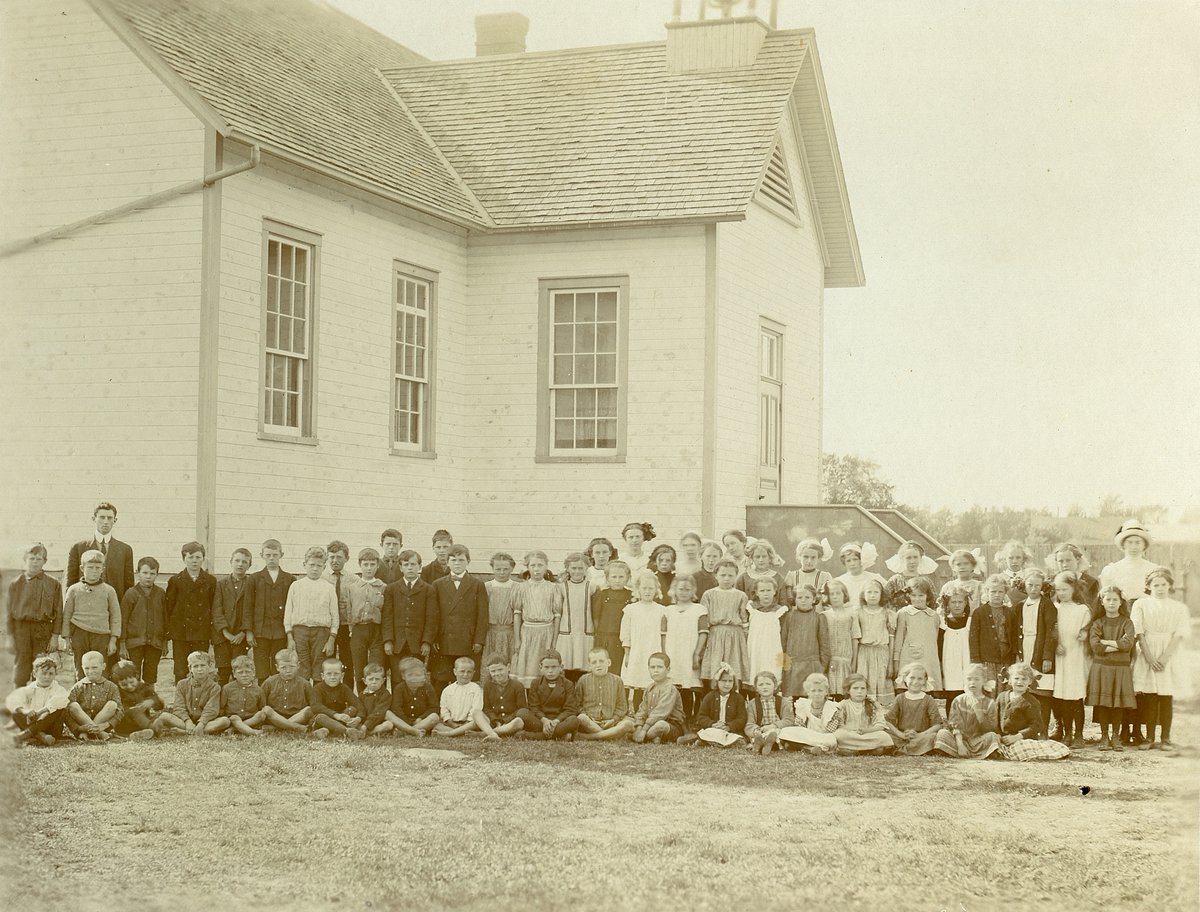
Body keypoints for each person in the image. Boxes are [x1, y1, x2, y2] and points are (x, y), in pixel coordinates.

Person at [1131, 568, 1190, 751]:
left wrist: (1164, 658)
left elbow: (1179, 634)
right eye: (1156, 585)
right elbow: (1138, 632)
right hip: (1147, 651)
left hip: (1168, 654)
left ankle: (1165, 738)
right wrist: (1149, 656)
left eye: (1164, 584)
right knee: (1149, 696)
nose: (1160, 588)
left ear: (1170, 585)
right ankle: (1149, 738)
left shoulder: (1179, 607)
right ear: (1149, 586)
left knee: (1165, 696)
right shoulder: (1141, 604)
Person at [428, 545, 488, 692]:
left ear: (468, 561)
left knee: (466, 678)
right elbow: (433, 615)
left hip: (467, 639)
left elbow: (482, 615)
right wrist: (434, 638)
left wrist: (478, 640)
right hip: (444, 640)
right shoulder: (437, 584)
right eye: (453, 560)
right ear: (447, 562)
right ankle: (440, 710)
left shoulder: (477, 585)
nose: (457, 563)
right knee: (440, 679)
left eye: (461, 560)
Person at [1087, 587, 1136, 752]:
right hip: (1102, 667)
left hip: (1120, 667)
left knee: (1117, 704)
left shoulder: (1127, 622)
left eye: (1115, 599)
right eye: (1108, 599)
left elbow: (1128, 644)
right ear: (1102, 602)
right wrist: (1116, 644)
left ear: (1121, 602)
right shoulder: (1098, 623)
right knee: (1103, 703)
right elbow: (1095, 646)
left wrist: (1106, 642)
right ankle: (1104, 736)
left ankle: (1116, 736)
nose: (1112, 603)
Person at [7, 543, 61, 688]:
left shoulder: (53, 584)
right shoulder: (16, 584)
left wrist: (55, 637)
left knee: (42, 666)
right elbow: (9, 614)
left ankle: (39, 702)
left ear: (45, 561)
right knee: (22, 667)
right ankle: (20, 704)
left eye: (39, 559)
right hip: (21, 629)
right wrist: (10, 637)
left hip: (43, 629)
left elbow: (58, 612)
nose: (35, 562)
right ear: (25, 559)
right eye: (32, 558)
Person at [61, 550, 120, 680]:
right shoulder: (74, 589)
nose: (94, 571)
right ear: (82, 568)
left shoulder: (109, 590)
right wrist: (66, 639)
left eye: (97, 568)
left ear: (102, 569)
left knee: (100, 669)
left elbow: (116, 616)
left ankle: (100, 698)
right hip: (79, 634)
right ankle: (81, 698)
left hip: (101, 635)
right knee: (81, 669)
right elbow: (66, 615)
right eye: (90, 567)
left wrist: (113, 640)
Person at [283, 546, 339, 683]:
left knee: (319, 667)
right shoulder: (296, 586)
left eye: (319, 566)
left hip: (321, 632)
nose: (315, 569)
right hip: (300, 631)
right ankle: (304, 701)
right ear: (304, 565)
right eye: (311, 565)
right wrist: (290, 636)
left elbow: (335, 616)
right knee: (302, 666)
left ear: (324, 567)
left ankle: (316, 701)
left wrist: (331, 639)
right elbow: (288, 613)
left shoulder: (329, 588)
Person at [165, 541, 217, 683]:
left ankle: (200, 698)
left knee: (200, 667)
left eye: (198, 557)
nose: (194, 561)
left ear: (203, 559)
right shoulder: (175, 580)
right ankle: (181, 698)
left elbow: (213, 607)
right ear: (184, 559)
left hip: (201, 632)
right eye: (190, 557)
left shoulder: (210, 581)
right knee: (181, 668)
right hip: (181, 632)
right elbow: (169, 607)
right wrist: (169, 631)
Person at [996, 662, 1070, 760]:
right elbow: (995, 718)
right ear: (1009, 680)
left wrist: (1017, 736)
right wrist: (997, 735)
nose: (1020, 682)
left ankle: (1009, 752)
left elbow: (1037, 726)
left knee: (1021, 749)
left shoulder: (1031, 701)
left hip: (1021, 739)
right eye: (1016, 678)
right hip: (1002, 738)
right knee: (989, 741)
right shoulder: (1001, 697)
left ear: (1030, 682)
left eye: (1024, 679)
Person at [1050, 571, 1091, 749]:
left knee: (1075, 697)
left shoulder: (1082, 610)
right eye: (1058, 590)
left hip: (1076, 656)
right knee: (1062, 696)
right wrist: (1055, 644)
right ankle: (1067, 733)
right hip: (1060, 657)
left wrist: (1086, 634)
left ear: (1074, 588)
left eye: (1065, 589)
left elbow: (1089, 631)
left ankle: (1079, 734)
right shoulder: (1054, 608)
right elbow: (1050, 630)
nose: (1061, 593)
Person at [1014, 566, 1057, 737]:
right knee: (1026, 692)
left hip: (1040, 651)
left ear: (1042, 587)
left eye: (1037, 586)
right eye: (1030, 585)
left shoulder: (1047, 605)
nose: (1033, 589)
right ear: (1024, 585)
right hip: (1025, 649)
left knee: (1043, 694)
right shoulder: (1020, 606)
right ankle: (1028, 731)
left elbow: (1050, 634)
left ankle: (1044, 731)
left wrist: (1047, 657)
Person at [66, 502, 134, 605]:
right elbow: (70, 583)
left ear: (115, 520)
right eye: (102, 517)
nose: (105, 522)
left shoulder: (125, 550)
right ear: (94, 519)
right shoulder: (78, 548)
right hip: (84, 607)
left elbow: (129, 586)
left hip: (113, 607)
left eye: (109, 518)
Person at [247, 539, 295, 682]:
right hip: (260, 631)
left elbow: (293, 608)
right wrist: (249, 631)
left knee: (278, 667)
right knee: (261, 669)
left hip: (280, 632)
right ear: (262, 555)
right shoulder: (254, 579)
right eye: (268, 555)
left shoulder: (289, 579)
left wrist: (290, 633)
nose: (272, 558)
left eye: (275, 555)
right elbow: (248, 607)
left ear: (282, 555)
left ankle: (276, 700)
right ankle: (263, 700)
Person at [513, 551, 563, 687]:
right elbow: (517, 614)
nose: (536, 569)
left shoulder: (553, 588)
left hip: (546, 632)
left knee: (545, 666)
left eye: (540, 565)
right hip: (527, 632)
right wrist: (517, 639)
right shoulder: (521, 587)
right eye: (533, 565)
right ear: (527, 567)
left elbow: (557, 615)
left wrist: (554, 640)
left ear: (546, 566)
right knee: (527, 666)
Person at [382, 548, 431, 684]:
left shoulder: (428, 589)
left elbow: (431, 618)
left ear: (419, 567)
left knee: (415, 677)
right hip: (397, 643)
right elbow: (387, 616)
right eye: (406, 565)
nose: (410, 568)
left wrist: (426, 641)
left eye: (413, 564)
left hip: (417, 643)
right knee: (397, 677)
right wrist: (388, 640)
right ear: (401, 568)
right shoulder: (391, 589)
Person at [662, 576, 708, 719]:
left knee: (688, 686)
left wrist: (697, 653)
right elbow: (663, 634)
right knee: (674, 685)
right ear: (674, 590)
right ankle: (674, 717)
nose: (683, 592)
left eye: (688, 589)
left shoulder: (699, 609)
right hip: (672, 652)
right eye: (680, 589)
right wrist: (664, 654)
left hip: (689, 652)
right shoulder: (668, 610)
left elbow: (703, 633)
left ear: (693, 590)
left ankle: (689, 718)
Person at [699, 559, 749, 687]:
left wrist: (745, 637)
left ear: (735, 576)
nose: (726, 578)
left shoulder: (741, 595)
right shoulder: (709, 594)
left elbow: (744, 619)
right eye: (723, 575)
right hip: (716, 635)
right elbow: (704, 618)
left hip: (735, 636)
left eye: (730, 575)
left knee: (734, 669)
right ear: (716, 575)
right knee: (716, 668)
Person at [933, 664, 1000, 759]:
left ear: (984, 680)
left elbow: (990, 729)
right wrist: (960, 746)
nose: (972, 682)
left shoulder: (990, 703)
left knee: (993, 737)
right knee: (942, 733)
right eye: (969, 679)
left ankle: (979, 752)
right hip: (960, 741)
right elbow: (955, 725)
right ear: (964, 680)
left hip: (978, 741)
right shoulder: (958, 700)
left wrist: (978, 711)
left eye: (977, 679)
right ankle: (964, 752)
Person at [620, 569, 667, 698]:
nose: (647, 591)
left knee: (651, 680)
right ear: (638, 589)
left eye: (651, 588)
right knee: (636, 680)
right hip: (636, 650)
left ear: (656, 590)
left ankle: (650, 710)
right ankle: (635, 711)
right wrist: (628, 653)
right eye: (644, 588)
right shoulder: (630, 609)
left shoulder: (662, 610)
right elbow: (625, 633)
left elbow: (664, 635)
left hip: (653, 649)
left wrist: (663, 653)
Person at [120, 557, 166, 686]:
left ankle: (148, 702)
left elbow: (164, 617)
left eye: (152, 573)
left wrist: (164, 641)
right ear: (137, 573)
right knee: (134, 674)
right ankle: (134, 701)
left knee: (151, 675)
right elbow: (123, 619)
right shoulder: (131, 594)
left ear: (157, 574)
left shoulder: (160, 593)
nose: (148, 577)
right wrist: (122, 643)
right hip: (134, 643)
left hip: (155, 642)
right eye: (145, 573)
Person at [345, 547, 386, 693]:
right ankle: (363, 699)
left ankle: (377, 699)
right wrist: (351, 629)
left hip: (376, 630)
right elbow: (349, 609)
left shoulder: (383, 587)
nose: (369, 568)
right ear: (360, 565)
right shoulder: (352, 587)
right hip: (358, 630)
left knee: (376, 667)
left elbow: (385, 611)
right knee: (359, 666)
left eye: (372, 564)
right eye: (365, 564)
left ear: (377, 565)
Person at [6, 654, 69, 746]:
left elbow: (61, 700)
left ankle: (25, 735)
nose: (47, 677)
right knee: (17, 712)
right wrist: (26, 711)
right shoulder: (29, 689)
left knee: (58, 709)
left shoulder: (58, 689)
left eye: (51, 673)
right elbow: (12, 699)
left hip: (50, 726)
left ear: (55, 674)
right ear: (35, 674)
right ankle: (41, 736)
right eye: (44, 673)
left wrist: (39, 712)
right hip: (32, 723)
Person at [892, 578, 941, 694]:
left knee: (926, 692)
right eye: (914, 595)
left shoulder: (934, 616)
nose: (917, 599)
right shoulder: (904, 613)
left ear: (927, 596)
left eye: (921, 595)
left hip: (929, 660)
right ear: (908, 596)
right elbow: (898, 640)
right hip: (908, 659)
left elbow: (934, 641)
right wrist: (896, 661)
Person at [212, 548, 253, 686]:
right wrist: (225, 632)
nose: (240, 564)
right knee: (223, 672)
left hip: (241, 636)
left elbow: (252, 610)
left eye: (244, 562)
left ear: (249, 565)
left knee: (240, 671)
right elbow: (216, 610)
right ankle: (222, 704)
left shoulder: (252, 583)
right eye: (237, 560)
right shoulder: (221, 584)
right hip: (223, 636)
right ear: (231, 562)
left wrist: (243, 632)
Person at [882, 664, 944, 755]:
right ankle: (913, 749)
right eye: (912, 678)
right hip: (902, 735)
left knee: (933, 737)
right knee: (883, 733)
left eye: (920, 679)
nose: (915, 682)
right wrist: (901, 734)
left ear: (925, 681)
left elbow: (937, 724)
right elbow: (888, 721)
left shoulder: (928, 700)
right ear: (905, 679)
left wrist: (920, 735)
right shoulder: (900, 698)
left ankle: (901, 750)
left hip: (922, 736)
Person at [575, 647, 635, 742]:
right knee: (581, 718)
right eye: (594, 662)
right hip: (591, 722)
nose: (598, 665)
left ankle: (592, 737)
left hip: (612, 722)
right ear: (589, 666)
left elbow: (622, 706)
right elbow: (577, 704)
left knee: (628, 724)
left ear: (609, 663)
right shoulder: (583, 680)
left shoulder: (617, 680)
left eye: (601, 661)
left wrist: (613, 720)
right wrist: (589, 718)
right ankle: (612, 735)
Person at [156, 651, 221, 736]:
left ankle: (186, 732)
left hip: (205, 722)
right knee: (164, 716)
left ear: (209, 667)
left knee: (224, 721)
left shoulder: (215, 687)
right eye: (195, 666)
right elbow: (179, 707)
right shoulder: (182, 684)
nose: (199, 669)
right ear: (190, 668)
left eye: (203, 665)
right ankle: (196, 731)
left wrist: (201, 723)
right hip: (184, 721)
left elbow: (211, 709)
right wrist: (187, 721)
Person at [780, 584, 827, 700]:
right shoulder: (789, 617)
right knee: (794, 700)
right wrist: (785, 666)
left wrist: (822, 666)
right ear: (795, 600)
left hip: (812, 665)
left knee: (811, 698)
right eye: (800, 598)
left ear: (814, 599)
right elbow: (783, 642)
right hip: (793, 666)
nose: (803, 601)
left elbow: (824, 644)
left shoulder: (819, 618)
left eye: (807, 597)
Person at [968, 574, 1014, 691]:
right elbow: (973, 639)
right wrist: (976, 660)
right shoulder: (979, 612)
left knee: (1005, 691)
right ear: (987, 592)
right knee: (989, 691)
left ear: (1005, 593)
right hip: (986, 660)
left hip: (1005, 660)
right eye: (993, 591)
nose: (997, 595)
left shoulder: (1010, 613)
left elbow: (1013, 637)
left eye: (1000, 592)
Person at [852, 578, 894, 705]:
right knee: (863, 683)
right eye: (869, 592)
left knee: (881, 683)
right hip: (864, 653)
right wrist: (854, 661)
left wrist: (891, 662)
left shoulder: (888, 613)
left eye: (876, 592)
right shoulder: (857, 613)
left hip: (882, 653)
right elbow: (855, 639)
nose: (872, 595)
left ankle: (881, 715)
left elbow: (891, 639)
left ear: (881, 594)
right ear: (863, 595)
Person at [1100, 521, 1160, 609]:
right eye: (1129, 542)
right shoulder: (1111, 570)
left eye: (1138, 542)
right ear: (1123, 544)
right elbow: (1107, 598)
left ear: (1144, 545)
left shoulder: (1153, 570)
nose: (1133, 547)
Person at [65, 651, 122, 741]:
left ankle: (90, 733)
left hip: (103, 725)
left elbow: (120, 710)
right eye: (86, 668)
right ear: (82, 668)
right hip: (82, 726)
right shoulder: (77, 687)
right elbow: (66, 712)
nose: (90, 671)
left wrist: (105, 725)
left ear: (103, 666)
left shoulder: (111, 686)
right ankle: (99, 734)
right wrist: (79, 728)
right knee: (72, 705)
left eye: (94, 667)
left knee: (112, 704)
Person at [525, 650, 581, 741]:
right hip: (541, 720)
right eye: (546, 667)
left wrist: (556, 721)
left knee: (574, 720)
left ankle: (538, 736)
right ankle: (559, 736)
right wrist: (545, 721)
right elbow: (533, 707)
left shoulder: (568, 684)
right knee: (522, 712)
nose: (550, 671)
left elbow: (570, 709)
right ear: (540, 667)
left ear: (561, 667)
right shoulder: (535, 683)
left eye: (554, 667)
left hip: (560, 721)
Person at [482, 552, 520, 682]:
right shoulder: (486, 587)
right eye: (498, 569)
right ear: (492, 569)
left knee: (510, 666)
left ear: (512, 569)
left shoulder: (517, 587)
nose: (502, 572)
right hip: (491, 633)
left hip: (511, 633)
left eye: (506, 569)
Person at [778, 672, 839, 753]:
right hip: (807, 735)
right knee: (785, 731)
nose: (817, 694)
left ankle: (803, 746)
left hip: (823, 736)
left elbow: (830, 731)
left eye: (820, 690)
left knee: (831, 740)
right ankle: (811, 748)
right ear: (808, 692)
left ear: (826, 692)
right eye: (813, 691)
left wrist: (813, 736)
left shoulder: (833, 708)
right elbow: (799, 726)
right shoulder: (803, 705)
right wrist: (805, 734)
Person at [591, 561, 633, 677]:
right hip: (604, 637)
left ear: (628, 578)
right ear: (608, 578)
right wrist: (598, 634)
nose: (617, 580)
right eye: (614, 577)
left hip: (621, 639)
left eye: (621, 577)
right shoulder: (602, 594)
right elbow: (596, 617)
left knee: (618, 670)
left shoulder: (631, 595)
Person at [631, 652, 684, 745]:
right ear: (648, 669)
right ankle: (652, 736)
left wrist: (644, 730)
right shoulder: (649, 688)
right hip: (650, 723)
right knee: (629, 723)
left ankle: (645, 736)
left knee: (660, 726)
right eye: (652, 667)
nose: (656, 670)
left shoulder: (670, 689)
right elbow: (643, 709)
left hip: (670, 724)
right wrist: (639, 726)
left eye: (659, 667)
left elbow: (660, 712)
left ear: (668, 670)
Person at [477, 654, 533, 740]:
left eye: (500, 669)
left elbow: (522, 709)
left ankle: (486, 733)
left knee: (519, 722)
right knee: (476, 713)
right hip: (494, 722)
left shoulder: (517, 685)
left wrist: (505, 721)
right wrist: (496, 720)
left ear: (508, 667)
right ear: (489, 671)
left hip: (511, 722)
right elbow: (487, 708)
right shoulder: (488, 685)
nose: (497, 673)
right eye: (493, 671)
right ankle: (493, 733)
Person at [209, 654, 266, 736]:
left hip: (251, 719)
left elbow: (261, 707)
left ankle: (235, 729)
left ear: (253, 673)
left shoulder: (259, 690)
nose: (244, 675)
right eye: (240, 672)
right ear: (234, 674)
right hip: (233, 719)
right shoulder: (227, 688)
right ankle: (253, 733)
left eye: (248, 672)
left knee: (262, 714)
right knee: (235, 718)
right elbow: (221, 707)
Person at [834, 674, 892, 755]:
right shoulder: (843, 705)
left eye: (862, 688)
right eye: (855, 688)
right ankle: (867, 749)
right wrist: (853, 730)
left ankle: (855, 750)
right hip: (850, 734)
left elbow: (880, 725)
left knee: (883, 736)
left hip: (869, 734)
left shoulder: (873, 704)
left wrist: (867, 731)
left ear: (866, 690)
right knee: (839, 735)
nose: (859, 691)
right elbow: (839, 725)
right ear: (848, 690)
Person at [309, 657, 366, 740]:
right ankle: (347, 731)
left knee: (352, 709)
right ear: (322, 676)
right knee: (321, 716)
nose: (332, 677)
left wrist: (359, 718)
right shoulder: (317, 688)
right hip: (322, 719)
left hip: (340, 717)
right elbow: (316, 706)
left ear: (342, 675)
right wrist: (335, 715)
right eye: (329, 674)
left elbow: (358, 705)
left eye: (336, 674)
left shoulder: (344, 688)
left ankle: (327, 730)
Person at [557, 553, 594, 680]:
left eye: (580, 568)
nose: (577, 571)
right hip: (567, 633)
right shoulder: (561, 587)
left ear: (586, 569)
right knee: (567, 666)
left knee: (584, 667)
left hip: (585, 632)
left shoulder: (592, 586)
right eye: (573, 568)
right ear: (568, 568)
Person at [745, 577, 787, 687]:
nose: (766, 594)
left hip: (772, 649)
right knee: (754, 670)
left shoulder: (780, 611)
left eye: (768, 590)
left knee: (772, 671)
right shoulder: (751, 608)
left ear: (774, 592)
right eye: (762, 591)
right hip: (755, 648)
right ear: (757, 593)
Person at [937, 583, 972, 713]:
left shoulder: (970, 622)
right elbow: (939, 645)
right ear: (947, 604)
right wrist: (940, 663)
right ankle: (951, 723)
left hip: (966, 660)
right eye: (953, 602)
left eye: (960, 602)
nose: (957, 605)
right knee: (952, 693)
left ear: (965, 604)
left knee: (967, 692)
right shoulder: (943, 622)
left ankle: (967, 724)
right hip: (950, 662)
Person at [384, 656, 440, 737]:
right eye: (410, 675)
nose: (414, 678)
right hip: (403, 721)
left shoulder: (428, 687)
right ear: (403, 676)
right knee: (387, 714)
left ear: (424, 675)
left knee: (435, 717)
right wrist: (406, 722)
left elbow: (434, 708)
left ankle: (406, 732)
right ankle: (413, 731)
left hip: (421, 721)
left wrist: (420, 718)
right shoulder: (399, 688)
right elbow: (396, 708)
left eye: (418, 675)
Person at [261, 649, 313, 733]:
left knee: (309, 709)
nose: (288, 670)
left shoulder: (305, 684)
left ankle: (278, 728)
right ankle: (295, 727)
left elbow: (312, 703)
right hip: (275, 717)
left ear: (298, 665)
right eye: (283, 667)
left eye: (292, 666)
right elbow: (261, 703)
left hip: (297, 717)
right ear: (277, 667)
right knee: (266, 709)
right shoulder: (269, 682)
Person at [694, 664, 747, 747]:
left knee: (737, 739)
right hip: (714, 729)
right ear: (716, 682)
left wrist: (729, 726)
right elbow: (701, 716)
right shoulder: (709, 697)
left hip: (730, 731)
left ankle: (710, 743)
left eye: (730, 681)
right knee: (709, 733)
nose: (727, 684)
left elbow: (742, 718)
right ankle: (708, 741)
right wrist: (712, 724)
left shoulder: (738, 698)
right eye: (723, 681)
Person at [110, 660, 164, 740]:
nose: (129, 686)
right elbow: (117, 707)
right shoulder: (118, 692)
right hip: (126, 724)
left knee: (162, 716)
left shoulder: (144, 687)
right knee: (135, 711)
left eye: (132, 682)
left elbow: (159, 704)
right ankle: (153, 729)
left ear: (137, 677)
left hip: (144, 721)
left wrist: (151, 701)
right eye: (124, 684)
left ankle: (144, 732)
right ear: (117, 683)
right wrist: (130, 710)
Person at [822, 580, 856, 699]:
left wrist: (854, 661)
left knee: (844, 692)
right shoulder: (824, 615)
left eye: (838, 593)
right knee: (830, 693)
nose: (835, 597)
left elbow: (854, 638)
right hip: (829, 661)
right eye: (832, 594)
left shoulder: (851, 614)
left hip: (845, 660)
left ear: (844, 595)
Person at [434, 656, 482, 736]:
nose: (465, 675)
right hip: (452, 723)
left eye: (469, 672)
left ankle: (451, 733)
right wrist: (451, 723)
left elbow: (476, 708)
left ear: (474, 673)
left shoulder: (476, 689)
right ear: (455, 671)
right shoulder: (447, 690)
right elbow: (444, 709)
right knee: (437, 725)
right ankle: (460, 732)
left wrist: (467, 723)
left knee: (478, 722)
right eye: (462, 671)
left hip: (469, 723)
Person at [883, 540, 938, 609]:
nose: (912, 561)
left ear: (920, 558)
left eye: (915, 557)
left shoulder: (926, 581)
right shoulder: (895, 581)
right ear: (902, 559)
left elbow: (933, 603)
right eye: (908, 558)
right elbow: (885, 601)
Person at [834, 542, 886, 610]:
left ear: (861, 559)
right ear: (844, 563)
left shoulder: (875, 578)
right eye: (848, 561)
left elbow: (886, 598)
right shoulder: (839, 581)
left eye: (855, 559)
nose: (852, 563)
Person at [736, 540, 789, 606]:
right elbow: (737, 601)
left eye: (764, 556)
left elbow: (783, 602)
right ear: (752, 558)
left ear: (769, 558)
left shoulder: (778, 578)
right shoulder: (743, 578)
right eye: (757, 557)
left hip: (773, 614)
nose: (761, 560)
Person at [1049, 542, 1100, 609]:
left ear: (1077, 559)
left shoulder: (1091, 582)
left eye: (1068, 560)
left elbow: (1093, 609)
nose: (1065, 565)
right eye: (1061, 561)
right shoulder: (1050, 582)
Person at [745, 671, 785, 754]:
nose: (765, 687)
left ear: (775, 686)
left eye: (768, 684)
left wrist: (773, 726)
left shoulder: (783, 702)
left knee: (780, 733)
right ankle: (761, 743)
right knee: (756, 735)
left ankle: (765, 744)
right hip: (761, 730)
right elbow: (749, 723)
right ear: (756, 688)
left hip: (777, 729)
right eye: (761, 685)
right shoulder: (752, 704)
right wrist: (757, 730)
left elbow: (788, 720)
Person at [358, 663, 392, 736]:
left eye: (377, 679)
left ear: (383, 680)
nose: (374, 682)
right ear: (364, 681)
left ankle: (369, 733)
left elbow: (378, 713)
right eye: (371, 679)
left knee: (388, 725)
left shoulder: (385, 695)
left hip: (378, 722)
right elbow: (360, 709)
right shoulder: (362, 694)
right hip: (364, 722)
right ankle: (362, 731)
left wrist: (366, 725)